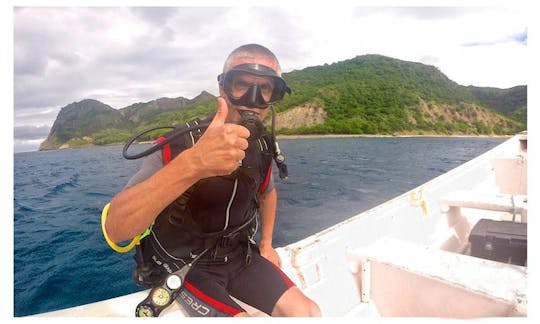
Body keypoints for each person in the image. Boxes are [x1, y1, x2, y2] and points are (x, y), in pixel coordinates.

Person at [102, 44, 321, 317]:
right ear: (222, 88)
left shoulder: (262, 147)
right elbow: (116, 227)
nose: (252, 98)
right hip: (187, 263)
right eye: (240, 84)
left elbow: (268, 192)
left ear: (274, 96)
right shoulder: (183, 144)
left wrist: (266, 243)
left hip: (240, 255)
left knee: (309, 312)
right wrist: (193, 164)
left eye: (265, 89)